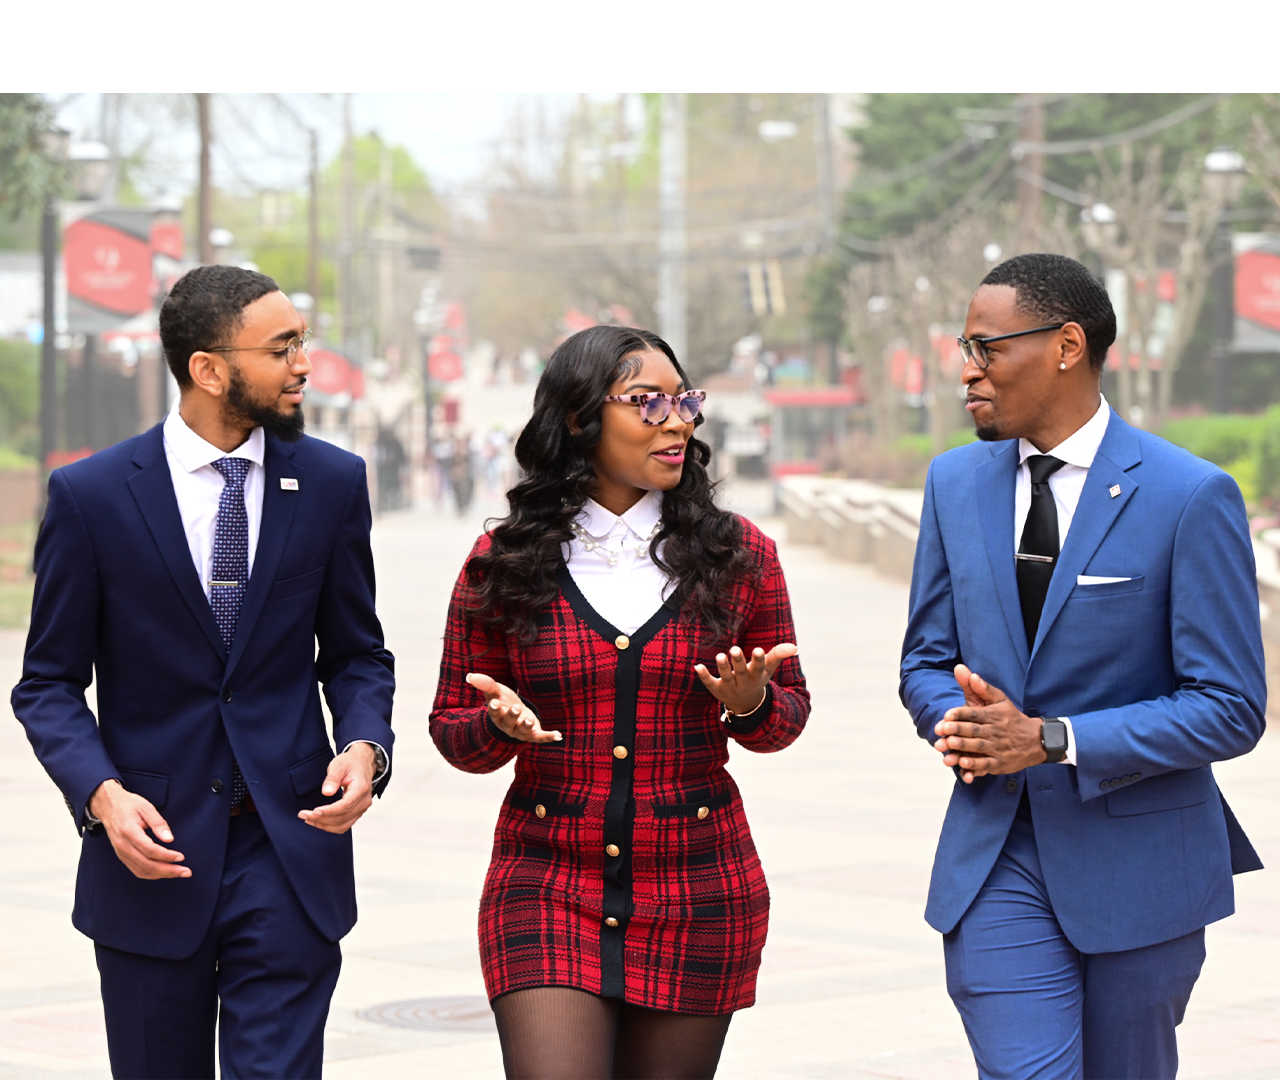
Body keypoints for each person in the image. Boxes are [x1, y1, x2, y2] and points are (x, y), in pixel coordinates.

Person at [12, 265, 396, 1079]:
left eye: (302, 343)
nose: (303, 364)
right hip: (150, 857)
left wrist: (367, 745)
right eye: (281, 348)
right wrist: (102, 796)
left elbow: (357, 652)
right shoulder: (91, 496)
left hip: (289, 850)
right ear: (208, 369)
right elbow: (46, 683)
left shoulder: (331, 483)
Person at [900, 253, 1265, 1080]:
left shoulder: (1190, 494)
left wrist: (1051, 738)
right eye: (965, 348)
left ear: (1067, 346)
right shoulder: (953, 483)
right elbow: (925, 658)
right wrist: (962, 724)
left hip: (1144, 868)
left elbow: (1230, 705)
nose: (967, 370)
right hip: (996, 854)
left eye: (987, 348)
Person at [430, 325, 809, 1080]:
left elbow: (785, 720)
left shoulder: (740, 556)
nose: (677, 422)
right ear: (579, 418)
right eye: (647, 402)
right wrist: (497, 727)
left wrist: (750, 704)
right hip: (544, 882)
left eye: (684, 401)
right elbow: (451, 730)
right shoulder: (504, 562)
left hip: (700, 888)